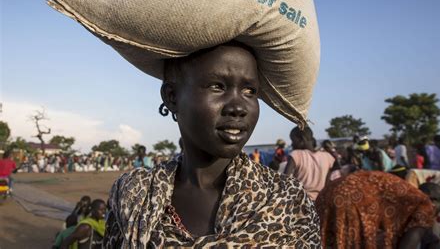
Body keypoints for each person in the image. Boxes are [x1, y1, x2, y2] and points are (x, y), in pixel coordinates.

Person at [104, 43, 320, 247]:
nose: (238, 107)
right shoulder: (135, 194)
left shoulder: (286, 199)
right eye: (217, 86)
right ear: (172, 97)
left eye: (249, 91)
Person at [316, 170, 438, 249]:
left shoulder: (406, 196)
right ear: (433, 200)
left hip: (328, 191)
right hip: (351, 198)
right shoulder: (425, 204)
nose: (437, 213)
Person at [284, 127, 340, 200]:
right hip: (320, 201)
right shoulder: (327, 157)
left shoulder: (296, 154)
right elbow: (327, 182)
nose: (292, 144)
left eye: (293, 141)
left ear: (302, 139)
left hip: (301, 202)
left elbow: (284, 180)